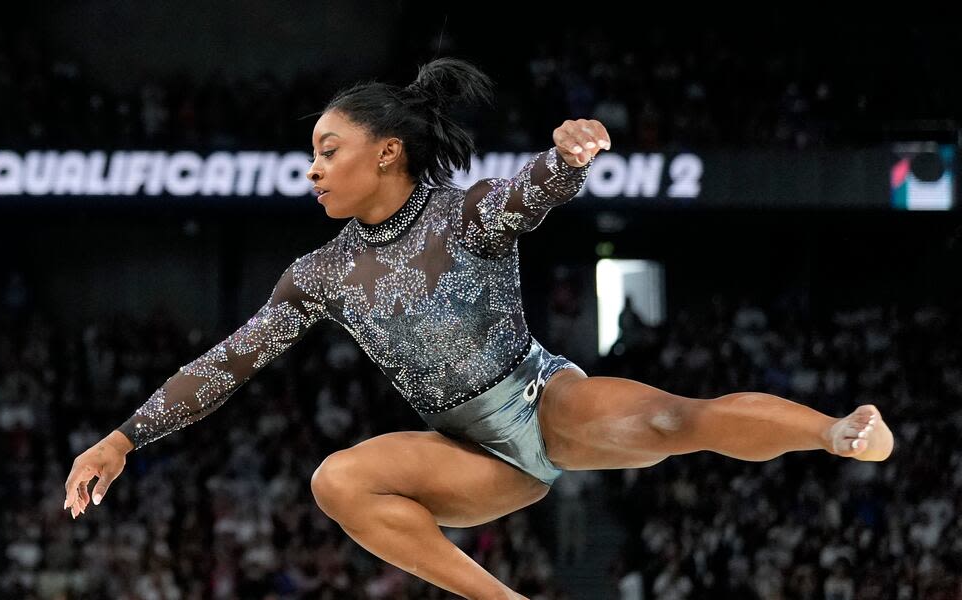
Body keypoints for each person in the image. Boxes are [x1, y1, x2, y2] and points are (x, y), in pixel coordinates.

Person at [63, 58, 894, 599]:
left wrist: (566, 160)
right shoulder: (320, 273)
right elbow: (230, 361)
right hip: (471, 455)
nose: (311, 168)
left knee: (675, 420)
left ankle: (838, 432)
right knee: (336, 480)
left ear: (387, 152)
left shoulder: (464, 216)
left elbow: (528, 192)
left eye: (328, 149)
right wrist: (125, 438)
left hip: (540, 401)